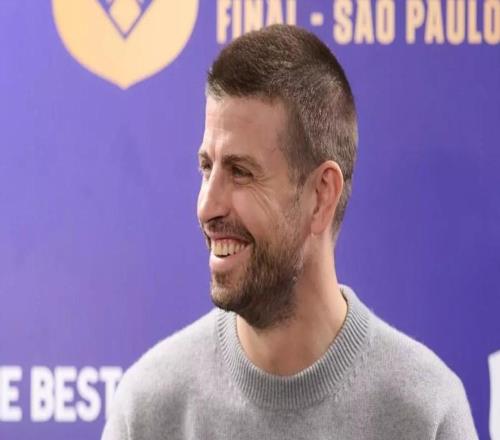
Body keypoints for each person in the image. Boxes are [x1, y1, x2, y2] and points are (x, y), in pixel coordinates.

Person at [101, 24, 478, 439]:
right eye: (207, 168)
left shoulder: (425, 413)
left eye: (241, 172)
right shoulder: (149, 411)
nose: (207, 207)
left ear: (321, 195)